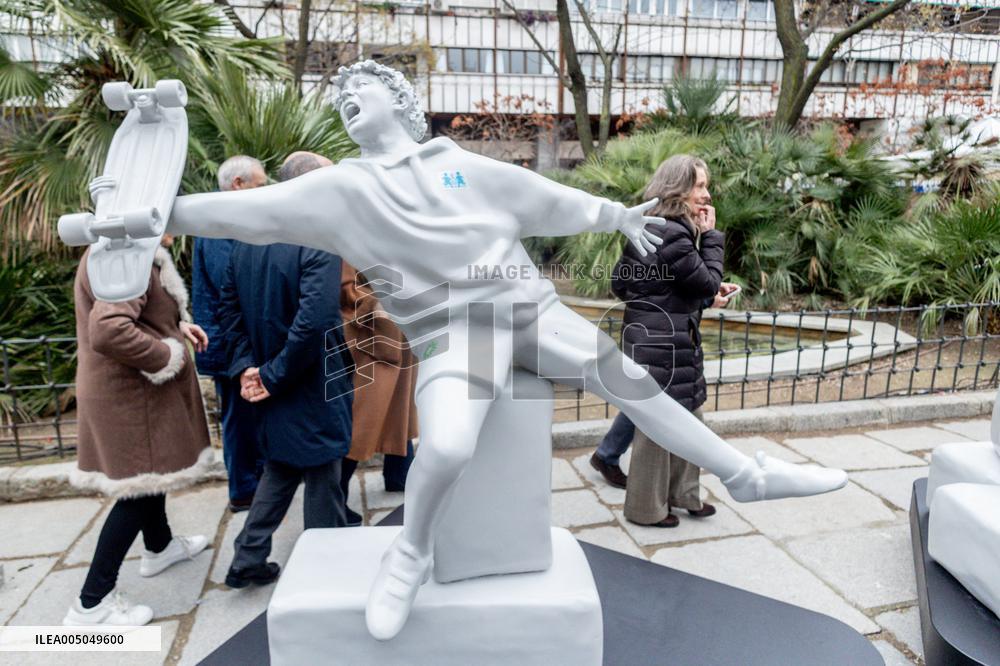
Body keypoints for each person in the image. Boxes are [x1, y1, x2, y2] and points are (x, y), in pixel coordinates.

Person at [166, 60, 848, 640]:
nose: (346, 99)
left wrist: (613, 215)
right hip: (452, 334)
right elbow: (240, 216)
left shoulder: (457, 165)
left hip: (530, 309)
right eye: (339, 97)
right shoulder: (339, 189)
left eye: (361, 89)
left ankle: (742, 474)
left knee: (633, 381)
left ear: (402, 103)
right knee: (452, 446)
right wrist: (154, 215)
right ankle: (410, 553)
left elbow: (544, 196)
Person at [218, 151, 354, 589]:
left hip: (270, 377)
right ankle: (325, 574)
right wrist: (268, 376)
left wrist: (247, 370)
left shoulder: (248, 237)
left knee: (281, 466)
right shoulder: (318, 237)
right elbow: (314, 323)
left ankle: (247, 558)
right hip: (312, 380)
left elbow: (228, 313)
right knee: (322, 474)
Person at [64, 234, 212, 626]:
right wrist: (167, 354)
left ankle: (159, 547)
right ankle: (90, 603)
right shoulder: (124, 255)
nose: (173, 228)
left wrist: (179, 327)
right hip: (130, 394)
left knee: (153, 472)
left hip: (136, 391)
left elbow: (142, 313)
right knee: (138, 488)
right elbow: (111, 329)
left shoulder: (127, 251)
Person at [612, 154, 740, 528]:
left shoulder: (650, 227)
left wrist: (696, 299)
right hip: (664, 345)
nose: (707, 193)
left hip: (654, 339)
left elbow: (623, 284)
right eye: (700, 185)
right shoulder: (675, 232)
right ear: (678, 189)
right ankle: (646, 510)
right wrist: (712, 238)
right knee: (659, 428)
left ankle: (684, 495)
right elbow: (704, 279)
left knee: (688, 418)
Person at [191, 155, 268, 513]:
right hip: (230, 345)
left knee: (247, 417)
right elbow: (232, 288)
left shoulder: (222, 220)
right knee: (238, 418)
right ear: (238, 183)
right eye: (260, 184)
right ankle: (243, 491)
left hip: (233, 341)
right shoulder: (221, 224)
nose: (265, 190)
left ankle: (257, 483)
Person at [339, 261, 419, 526]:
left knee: (399, 408)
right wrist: (379, 305)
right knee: (362, 418)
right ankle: (334, 495)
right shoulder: (354, 230)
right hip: (372, 336)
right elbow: (345, 290)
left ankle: (400, 474)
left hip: (399, 330)